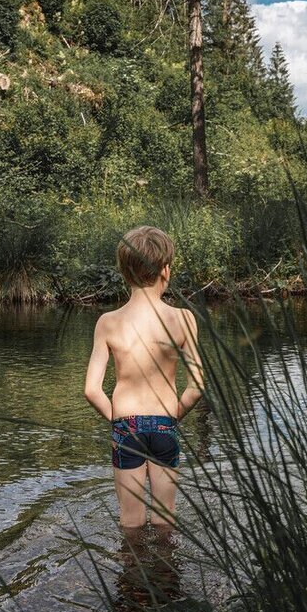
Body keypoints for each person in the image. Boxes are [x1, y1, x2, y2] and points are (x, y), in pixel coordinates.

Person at [83, 226, 204, 528]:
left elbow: (91, 390)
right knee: (165, 515)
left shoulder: (108, 322)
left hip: (127, 426)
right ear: (166, 270)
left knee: (130, 520)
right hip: (164, 424)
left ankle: (129, 559)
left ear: (125, 273)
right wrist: (172, 416)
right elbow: (197, 386)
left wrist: (118, 420)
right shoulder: (183, 318)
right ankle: (166, 558)